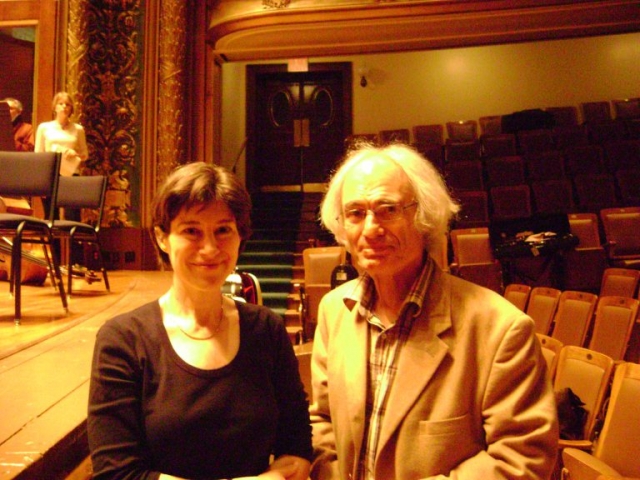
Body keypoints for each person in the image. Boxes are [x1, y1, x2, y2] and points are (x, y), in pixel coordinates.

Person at [309, 143, 559, 479]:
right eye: (355, 213)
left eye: (388, 209)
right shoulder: (333, 310)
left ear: (425, 216)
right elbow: (322, 420)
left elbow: (519, 459)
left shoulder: (501, 328)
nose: (370, 229)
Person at [87, 162, 312, 480]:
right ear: (162, 238)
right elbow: (117, 474)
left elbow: (298, 448)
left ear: (239, 237)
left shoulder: (266, 329)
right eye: (191, 231)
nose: (210, 248)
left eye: (223, 230)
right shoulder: (123, 339)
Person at [34, 91, 88, 176]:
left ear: (71, 109)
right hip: (50, 172)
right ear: (55, 107)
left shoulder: (78, 129)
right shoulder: (44, 127)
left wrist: (75, 154)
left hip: (71, 172)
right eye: (60, 103)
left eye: (67, 104)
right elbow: (38, 154)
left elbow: (85, 155)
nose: (64, 107)